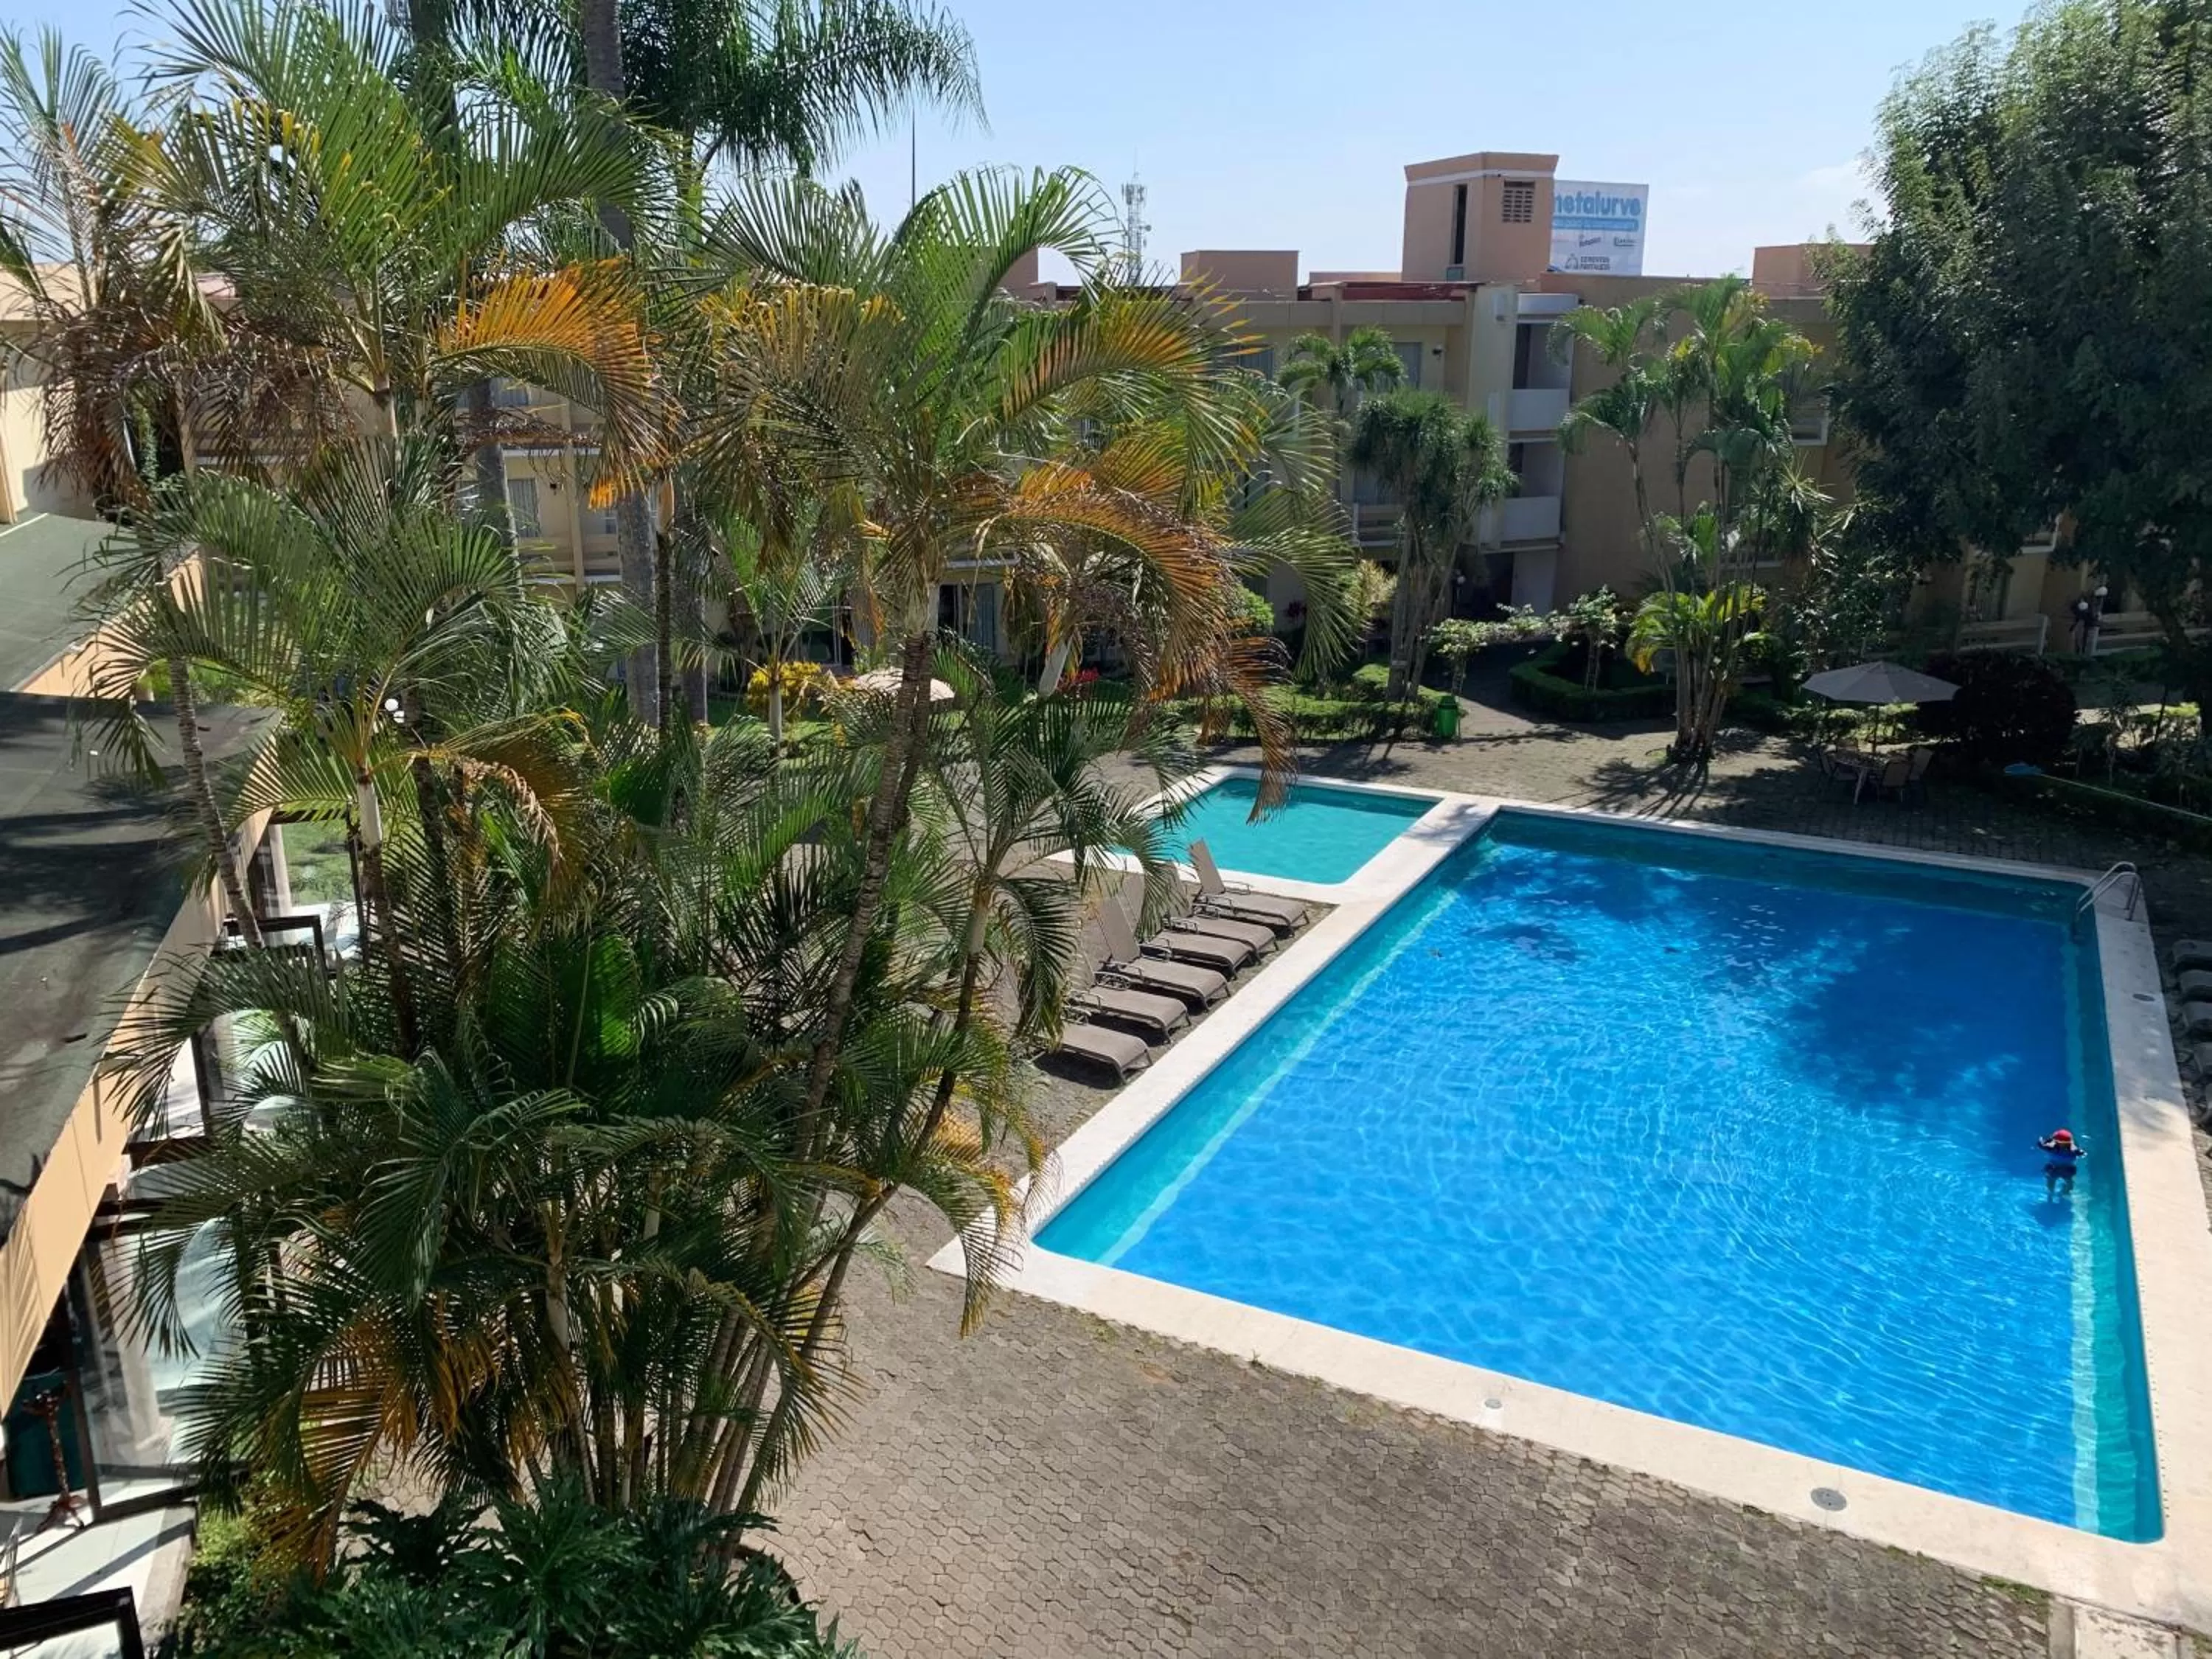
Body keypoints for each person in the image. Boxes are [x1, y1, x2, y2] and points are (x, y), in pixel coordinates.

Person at [2039, 1128, 2084, 1197]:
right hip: (2058, 1168)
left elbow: (2041, 1145)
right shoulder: (2053, 1146)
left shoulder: (2072, 1149)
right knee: (2063, 1183)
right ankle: (2056, 1193)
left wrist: (2042, 1141)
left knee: (2066, 1184)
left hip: (2063, 1168)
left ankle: (2059, 1193)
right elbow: (2081, 1153)